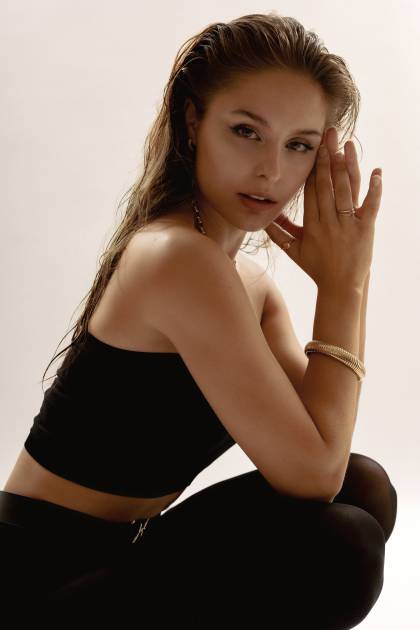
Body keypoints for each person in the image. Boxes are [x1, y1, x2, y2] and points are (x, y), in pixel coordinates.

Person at [1, 12, 397, 628]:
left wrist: (344, 280)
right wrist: (343, 287)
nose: (270, 170)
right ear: (194, 122)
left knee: (364, 487)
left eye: (298, 145)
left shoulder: (249, 284)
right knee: (342, 544)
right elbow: (313, 474)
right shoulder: (175, 258)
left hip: (124, 557)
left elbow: (326, 451)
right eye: (246, 131)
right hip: (35, 582)